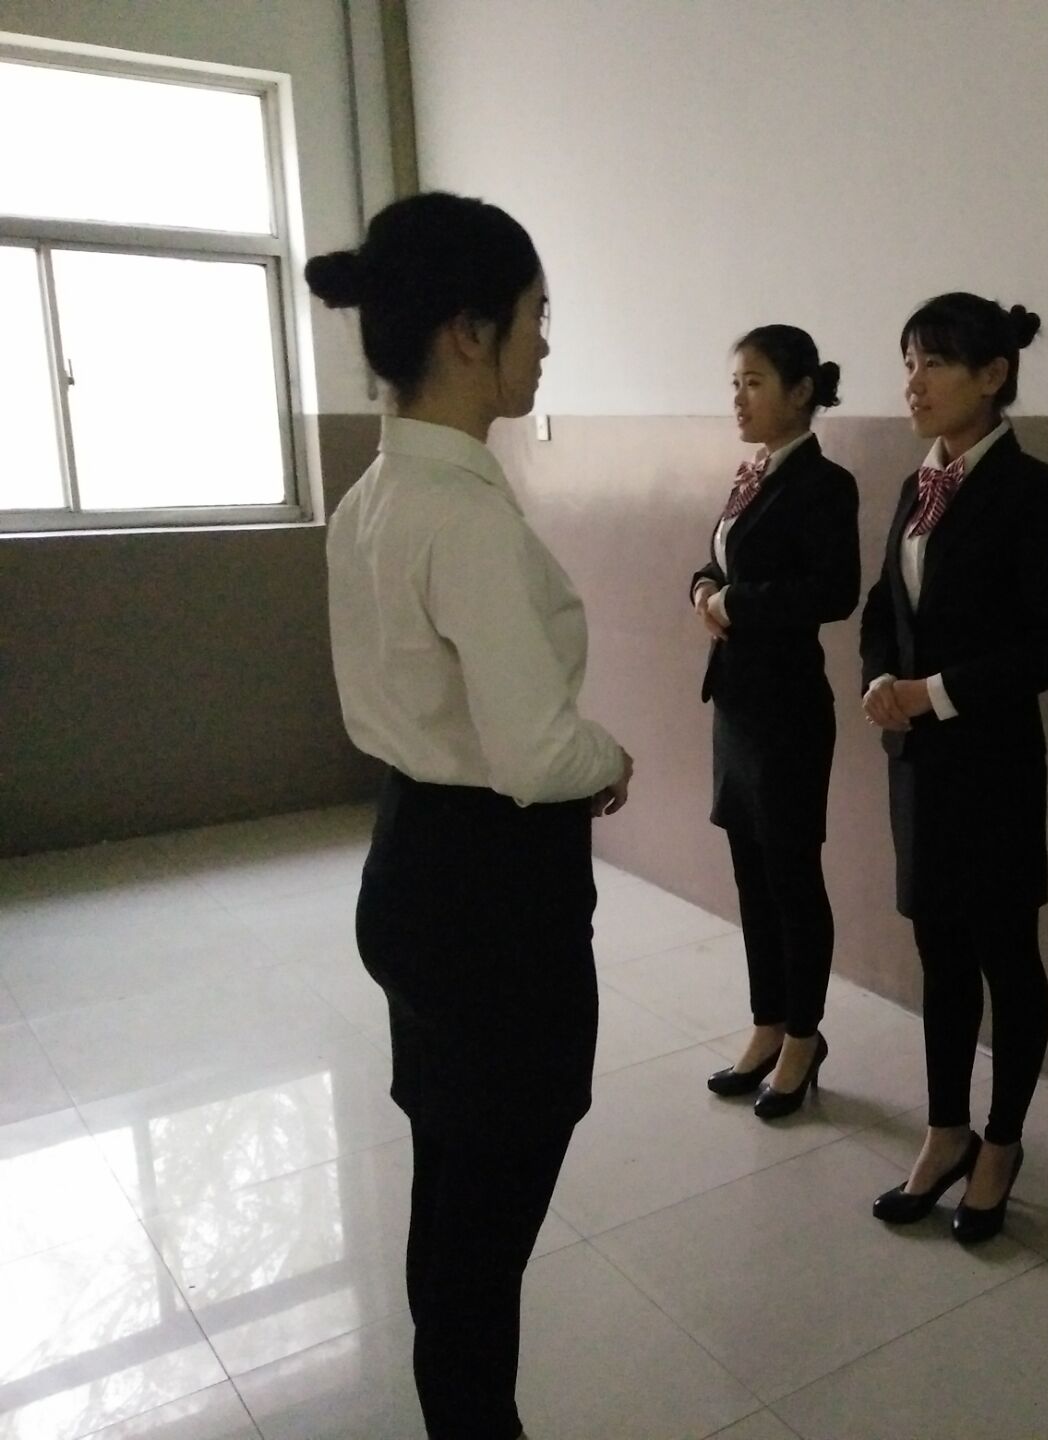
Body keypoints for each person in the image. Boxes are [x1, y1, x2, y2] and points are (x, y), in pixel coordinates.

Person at [314, 191, 632, 1440]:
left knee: (451, 1176)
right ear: (467, 332)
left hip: (413, 868)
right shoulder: (463, 518)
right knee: (490, 1214)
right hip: (495, 897)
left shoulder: (374, 498)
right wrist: (610, 757)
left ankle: (455, 1408)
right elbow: (539, 749)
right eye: (534, 316)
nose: (545, 342)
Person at [859, 292, 1048, 1244]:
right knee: (940, 952)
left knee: (1005, 953)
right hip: (917, 763)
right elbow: (884, 605)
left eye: (935, 363)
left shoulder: (1037, 491)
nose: (913, 383)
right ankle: (946, 1128)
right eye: (908, 362)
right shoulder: (917, 485)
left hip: (992, 764)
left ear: (993, 376)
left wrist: (937, 691)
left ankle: (1002, 1140)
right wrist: (881, 677)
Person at [691, 324, 860, 1118]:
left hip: (789, 709)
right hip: (736, 703)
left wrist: (735, 603)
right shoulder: (752, 474)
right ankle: (766, 1022)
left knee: (791, 876)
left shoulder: (825, 484)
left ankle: (803, 1035)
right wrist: (703, 589)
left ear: (801, 392)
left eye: (754, 382)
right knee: (750, 875)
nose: (739, 398)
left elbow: (832, 591)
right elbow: (718, 561)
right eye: (735, 383)